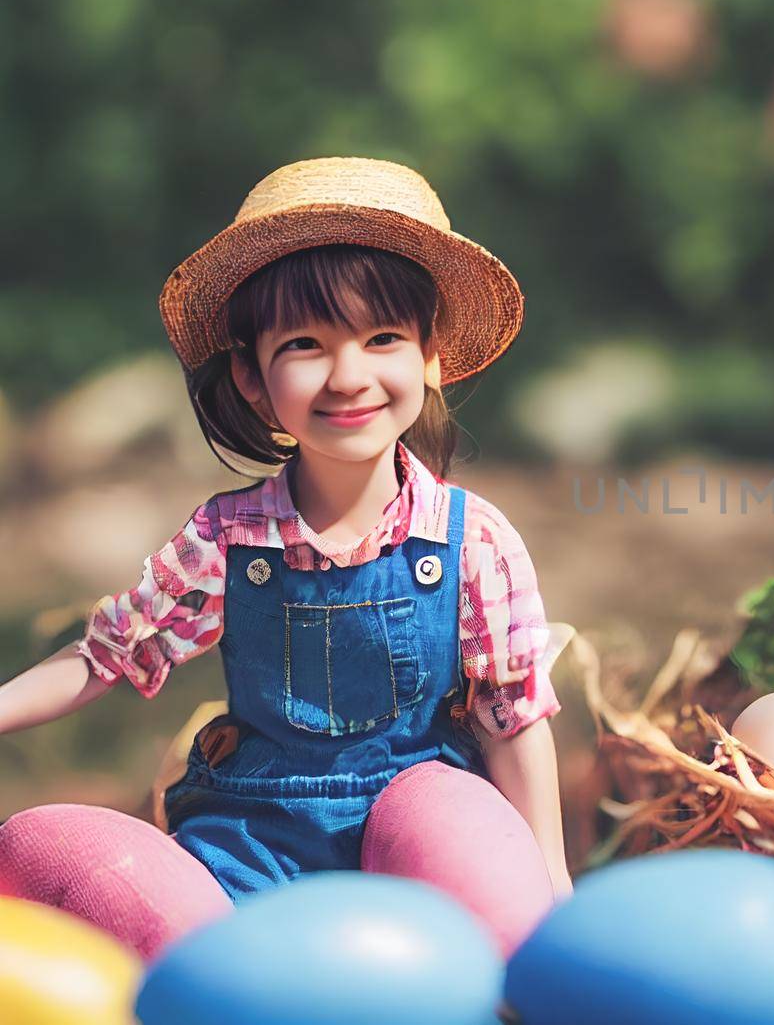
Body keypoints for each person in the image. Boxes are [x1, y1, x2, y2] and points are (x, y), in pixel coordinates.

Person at [0, 157, 572, 958]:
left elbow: (513, 720)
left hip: (418, 846)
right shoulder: (226, 540)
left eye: (383, 338)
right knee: (41, 841)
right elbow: (105, 656)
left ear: (432, 357)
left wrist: (554, 881)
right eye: (306, 344)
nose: (348, 376)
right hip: (251, 850)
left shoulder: (472, 540)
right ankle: (228, 974)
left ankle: (490, 962)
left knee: (453, 814)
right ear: (253, 378)